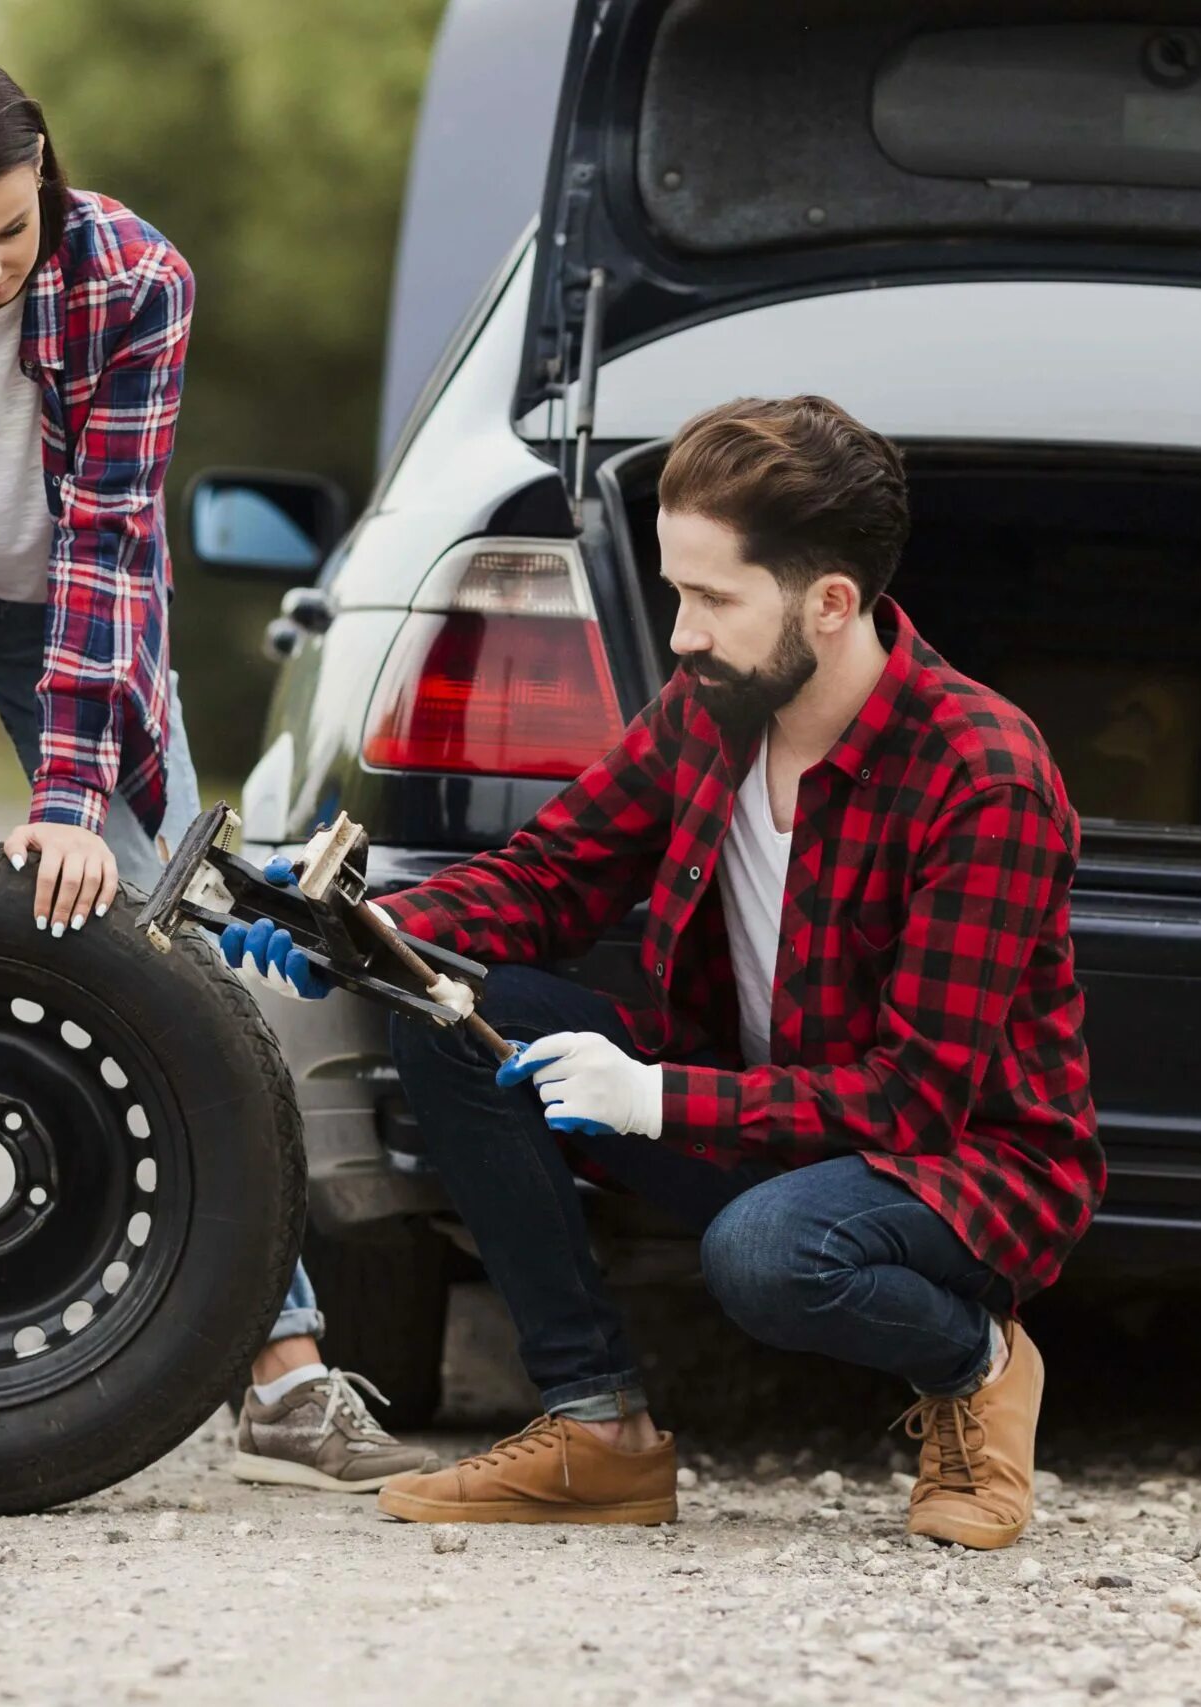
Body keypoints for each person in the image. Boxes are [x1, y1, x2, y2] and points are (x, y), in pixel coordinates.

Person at [226, 395, 1100, 1545]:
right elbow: (550, 878)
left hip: (956, 1166)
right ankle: (599, 1435)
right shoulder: (718, 704)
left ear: (831, 603)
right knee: (451, 1013)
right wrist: (358, 924)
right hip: (759, 1115)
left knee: (769, 1255)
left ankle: (979, 1364)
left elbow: (913, 1099)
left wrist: (650, 1098)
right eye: (677, 591)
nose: (681, 632)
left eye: (712, 598)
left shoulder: (980, 775)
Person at [0, 50, 422, 1493]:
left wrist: (72, 794)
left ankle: (283, 1367)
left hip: (88, 611)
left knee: (166, 946)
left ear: (45, 179)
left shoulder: (137, 279)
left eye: (11, 228)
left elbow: (111, 535)